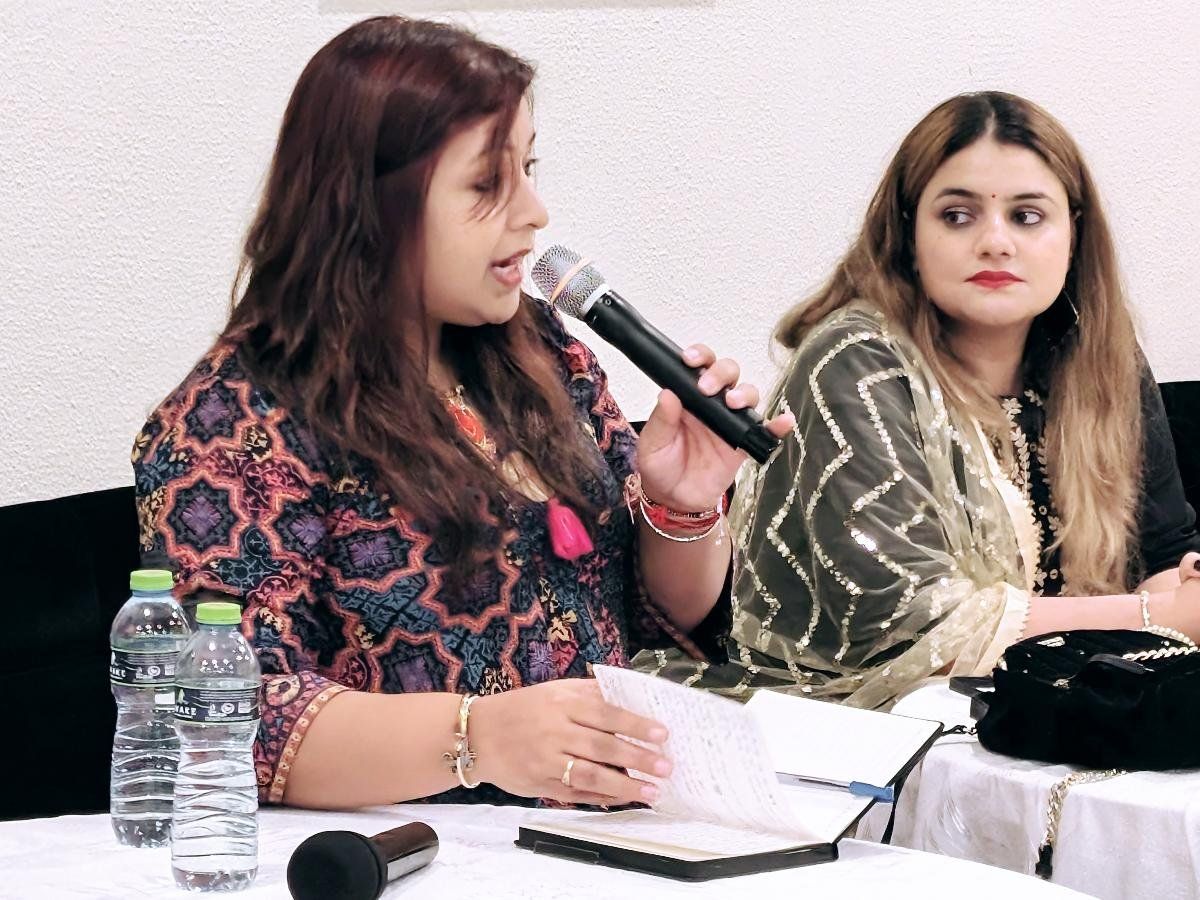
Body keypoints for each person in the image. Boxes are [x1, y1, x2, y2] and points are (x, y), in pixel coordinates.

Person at [132, 16, 790, 810]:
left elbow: (653, 619)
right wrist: (477, 738)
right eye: (487, 184)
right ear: (367, 206)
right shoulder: (234, 420)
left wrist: (680, 509)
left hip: (600, 834)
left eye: (529, 168)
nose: (535, 212)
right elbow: (221, 713)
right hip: (410, 852)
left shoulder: (539, 352)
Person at [643, 91, 1200, 708]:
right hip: (868, 721)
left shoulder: (1103, 360)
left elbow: (1164, 552)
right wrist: (1156, 617)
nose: (996, 242)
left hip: (1070, 704)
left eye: (1027, 216)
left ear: (1074, 235)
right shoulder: (854, 365)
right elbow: (916, 627)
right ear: (909, 234)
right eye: (958, 216)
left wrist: (1177, 609)